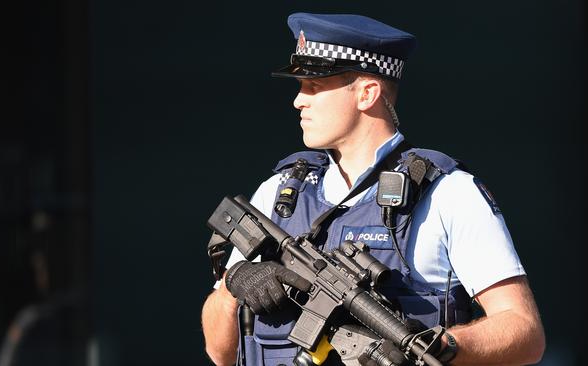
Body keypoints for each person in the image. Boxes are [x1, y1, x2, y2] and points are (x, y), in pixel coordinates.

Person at [202, 12, 545, 366]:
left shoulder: (447, 193)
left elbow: (524, 332)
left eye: (315, 87)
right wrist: (234, 283)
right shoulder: (280, 193)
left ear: (367, 93)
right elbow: (219, 352)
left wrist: (436, 346)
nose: (298, 101)